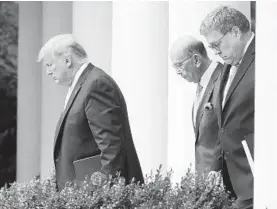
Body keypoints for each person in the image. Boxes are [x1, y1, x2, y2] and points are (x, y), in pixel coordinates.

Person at [37, 34, 144, 191]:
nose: (48, 72)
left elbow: (111, 148)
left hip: (96, 196)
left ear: (67, 60)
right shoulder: (83, 85)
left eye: (49, 65)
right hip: (83, 194)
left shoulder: (96, 84)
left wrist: (105, 196)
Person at [200, 6, 255, 209]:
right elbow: (224, 121)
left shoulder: (266, 58)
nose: (215, 53)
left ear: (235, 32)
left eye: (217, 45)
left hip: (259, 179)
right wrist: (216, 166)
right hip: (235, 181)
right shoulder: (228, 64)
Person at [170, 35, 223, 176]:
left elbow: (227, 130)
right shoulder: (201, 85)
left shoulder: (223, 79)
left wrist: (215, 169)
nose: (177, 72)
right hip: (205, 179)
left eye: (179, 65)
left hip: (222, 178)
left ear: (196, 60)